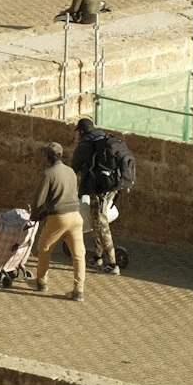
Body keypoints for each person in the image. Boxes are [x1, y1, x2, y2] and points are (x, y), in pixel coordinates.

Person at [30, 142, 87, 301]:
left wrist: (35, 214)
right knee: (78, 254)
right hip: (76, 216)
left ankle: (41, 282)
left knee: (44, 247)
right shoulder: (70, 172)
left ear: (49, 157)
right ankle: (78, 290)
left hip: (58, 217)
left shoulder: (48, 174)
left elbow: (39, 199)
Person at [72, 117, 121, 275]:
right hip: (112, 186)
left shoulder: (85, 145)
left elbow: (74, 168)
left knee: (101, 223)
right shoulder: (104, 137)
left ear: (81, 132)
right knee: (96, 218)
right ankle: (98, 256)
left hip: (99, 188)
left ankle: (112, 264)